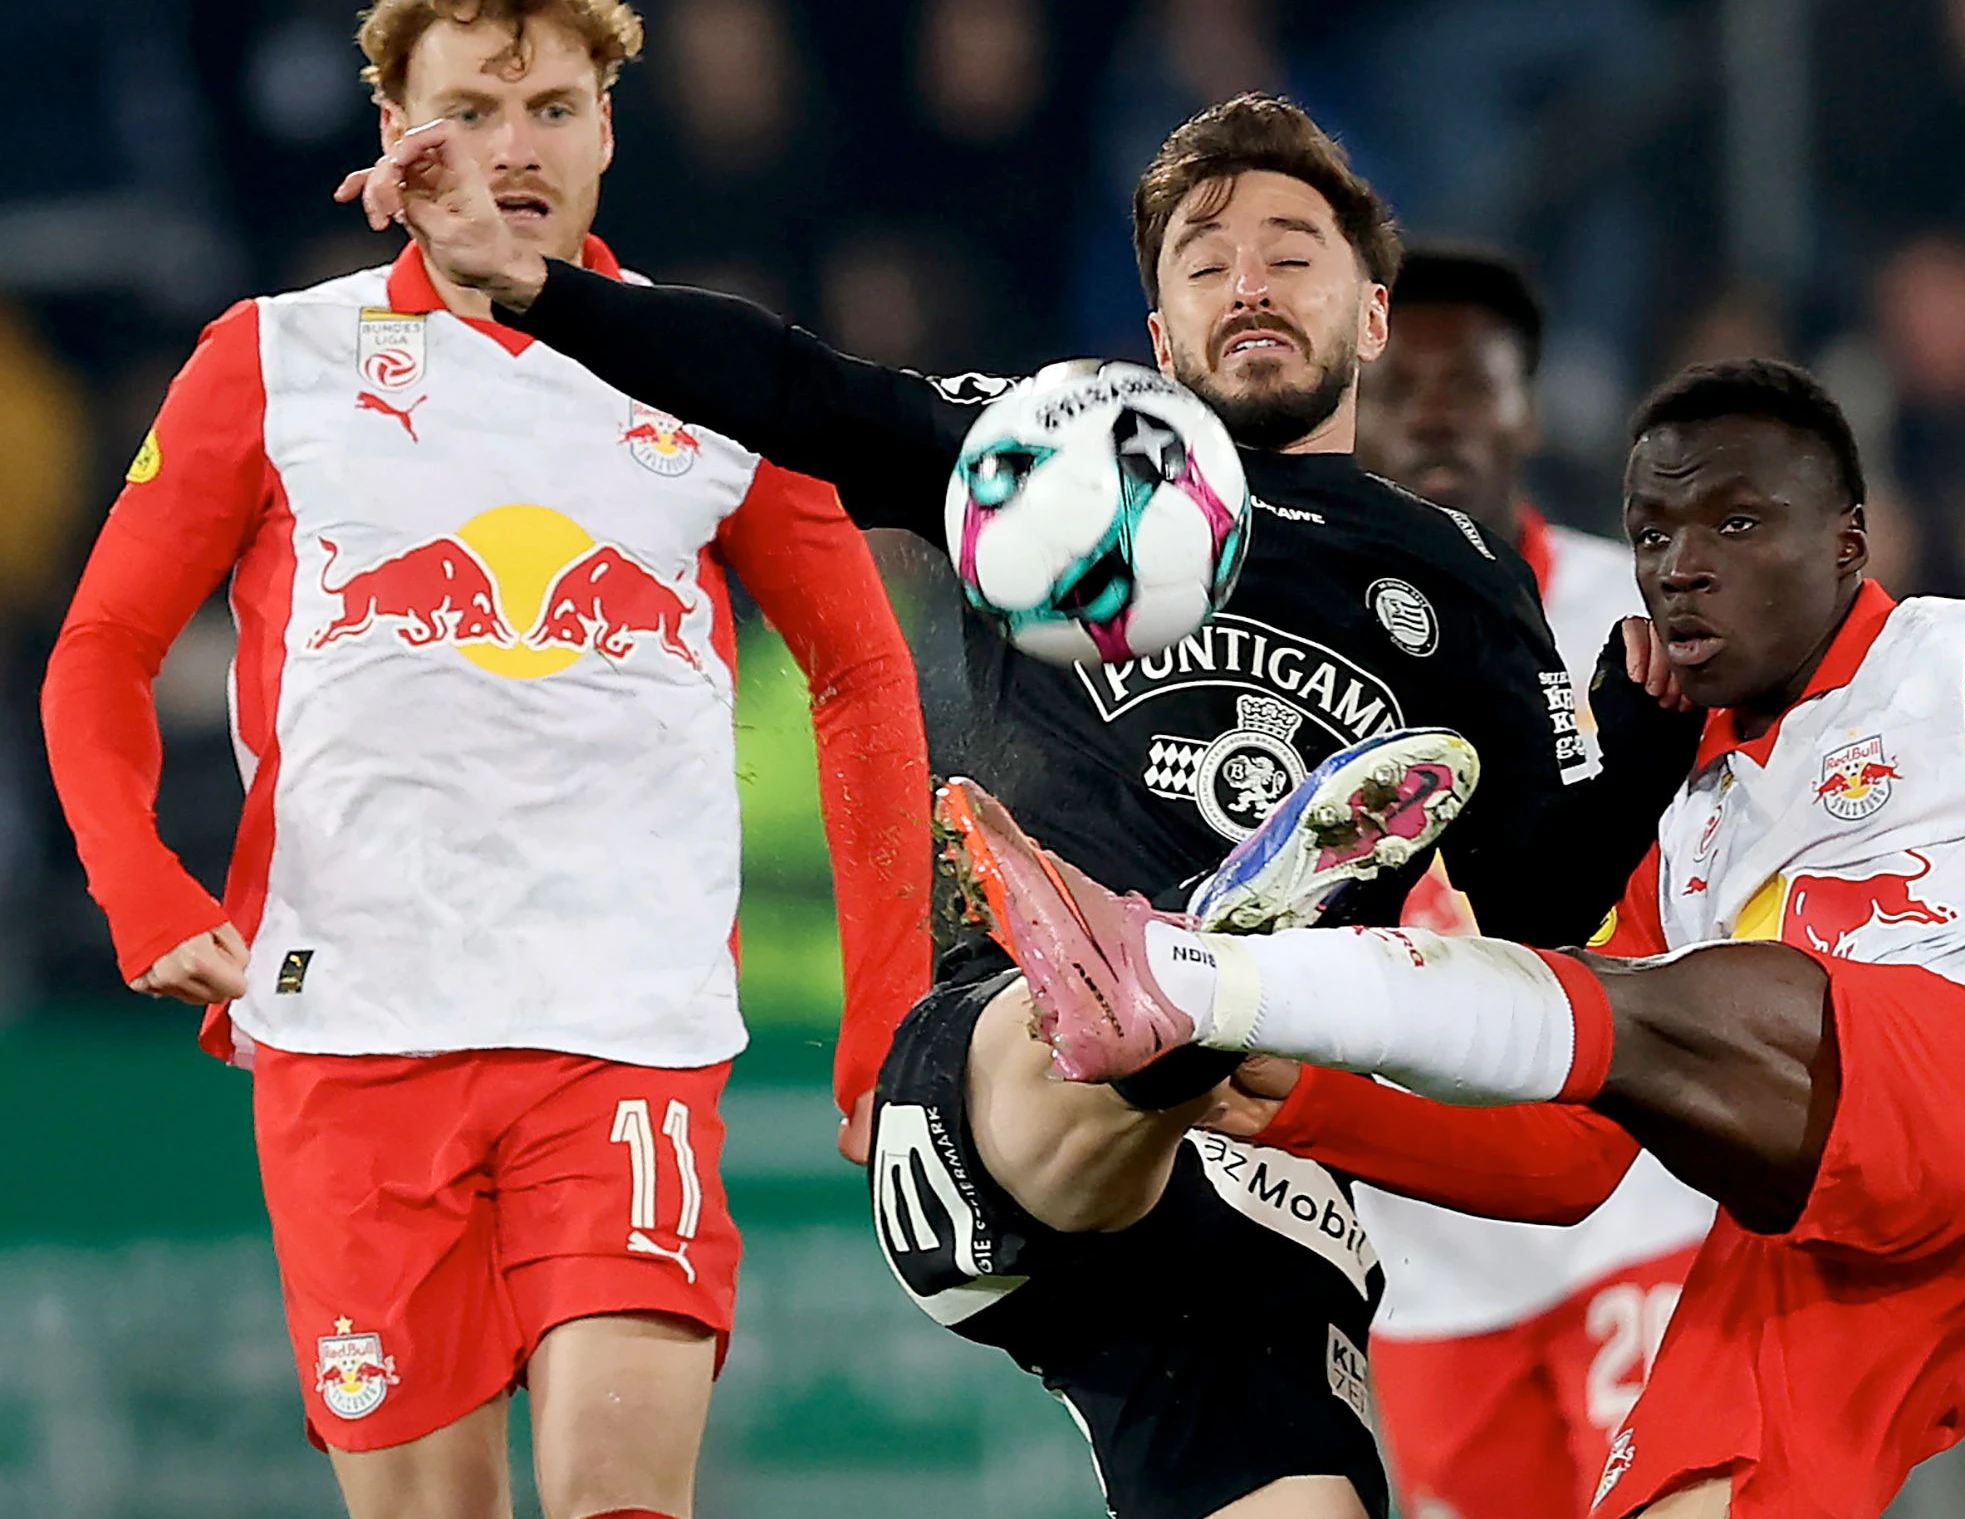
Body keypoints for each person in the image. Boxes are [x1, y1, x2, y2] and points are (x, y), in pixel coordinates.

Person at [342, 93, 1702, 1519]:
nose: (1249, 282)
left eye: (1292, 255)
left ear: (1370, 315)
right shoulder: (1057, 447)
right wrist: (540, 289)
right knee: (1128, 1022)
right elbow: (796, 387)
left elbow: (1538, 909)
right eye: (1207, 262)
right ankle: (1182, 971)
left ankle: (1200, 979)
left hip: (1241, 1182)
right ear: (1161, 334)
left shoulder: (1466, 579)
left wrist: (1648, 732)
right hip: (1000, 1074)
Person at [958, 358, 1965, 1519]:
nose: (1682, 562)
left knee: (1679, 991)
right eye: (1652, 532)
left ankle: (1199, 969)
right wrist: (1302, 1106)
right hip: (1814, 1242)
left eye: (1737, 520)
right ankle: (1250, 1020)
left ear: (1847, 540)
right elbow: (1579, 1149)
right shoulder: (1681, 807)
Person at [39, 4, 931, 1517]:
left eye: (556, 108)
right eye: (471, 109)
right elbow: (101, 650)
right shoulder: (276, 358)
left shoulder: (715, 371)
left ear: (608, 128)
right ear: (394, 129)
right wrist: (140, 886)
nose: (515, 150)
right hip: (354, 1037)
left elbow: (862, 672)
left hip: (623, 1033)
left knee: (618, 1495)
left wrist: (890, 1014)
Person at [1354, 245, 1711, 1519]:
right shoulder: (1284, 642)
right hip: (1431, 1261)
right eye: (1400, 390)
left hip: (1647, 1208)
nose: (1435, 418)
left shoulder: (1650, 617)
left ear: (1529, 411)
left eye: (1470, 385)